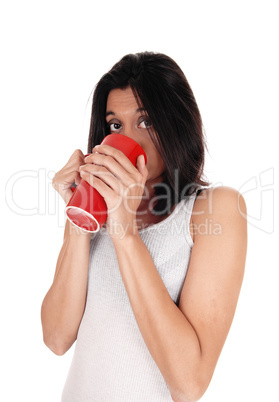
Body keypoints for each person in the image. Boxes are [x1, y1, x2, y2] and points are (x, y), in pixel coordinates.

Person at [41, 52, 247, 402]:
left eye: (146, 121)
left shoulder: (215, 209)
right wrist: (81, 215)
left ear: (177, 123)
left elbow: (188, 383)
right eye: (116, 126)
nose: (130, 139)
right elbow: (57, 338)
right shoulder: (96, 210)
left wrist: (124, 232)